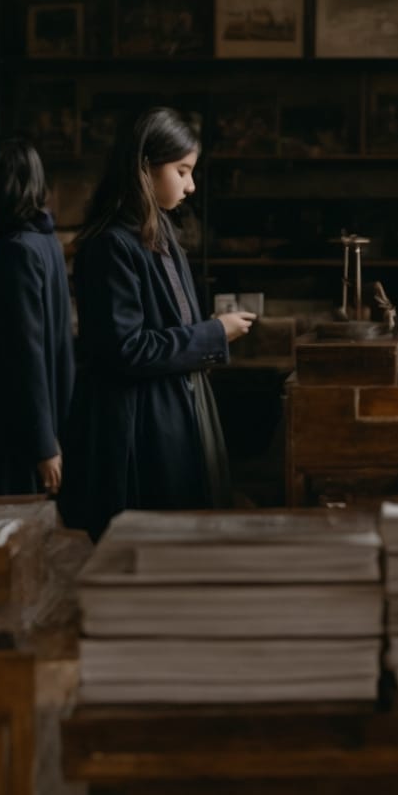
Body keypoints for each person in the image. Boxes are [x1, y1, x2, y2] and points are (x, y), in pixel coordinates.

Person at [59, 107, 255, 537]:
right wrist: (214, 333)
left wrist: (208, 332)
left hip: (170, 406)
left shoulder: (160, 233)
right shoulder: (110, 244)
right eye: (182, 170)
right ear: (145, 167)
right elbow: (125, 348)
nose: (191, 184)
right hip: (134, 426)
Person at [0, 137, 75, 496]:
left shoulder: (16, 252)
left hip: (18, 433)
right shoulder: (44, 242)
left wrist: (43, 444)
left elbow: (25, 353)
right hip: (46, 420)